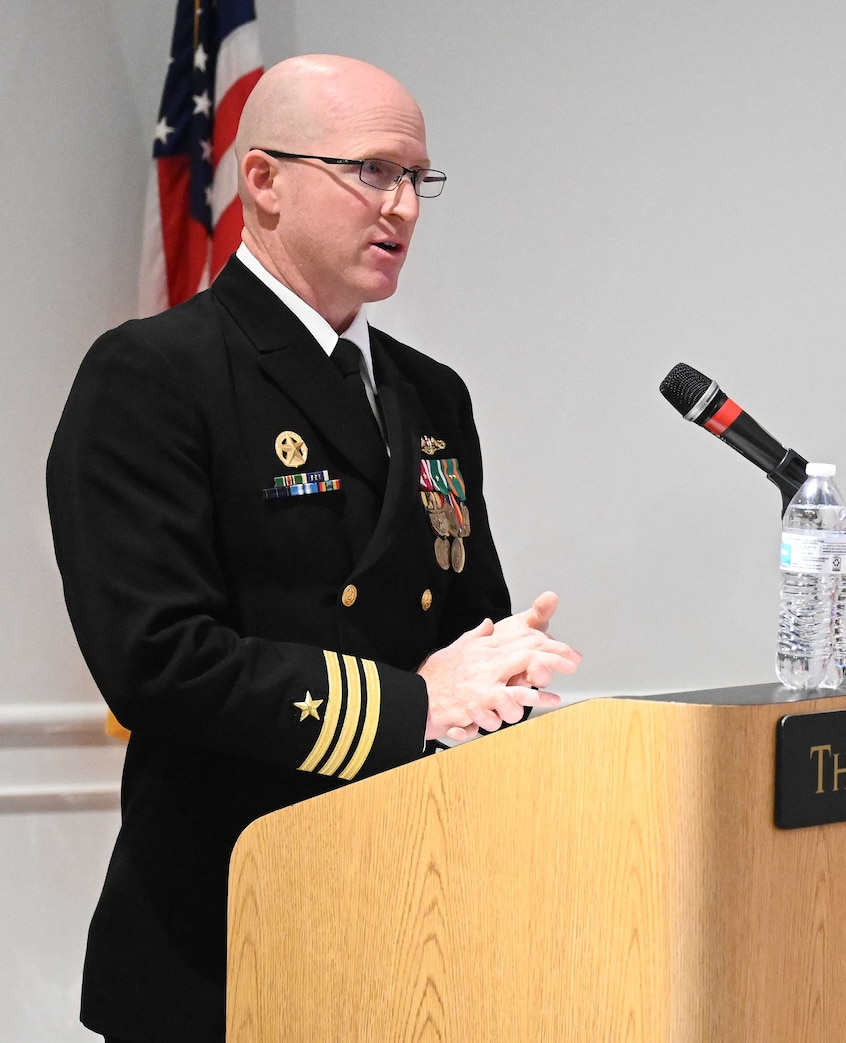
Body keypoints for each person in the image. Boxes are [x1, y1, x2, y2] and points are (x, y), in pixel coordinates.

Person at [46, 55, 581, 1043]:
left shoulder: (429, 393)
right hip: (226, 923)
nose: (404, 207)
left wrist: (509, 670)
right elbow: (156, 661)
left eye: (418, 178)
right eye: (371, 171)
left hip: (412, 918)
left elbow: (467, 618)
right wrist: (418, 699)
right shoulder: (154, 376)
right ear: (262, 182)